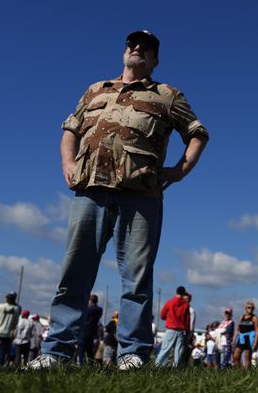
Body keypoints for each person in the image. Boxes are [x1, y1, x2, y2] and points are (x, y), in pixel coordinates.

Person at [28, 30, 208, 371]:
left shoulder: (167, 95)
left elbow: (198, 133)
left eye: (146, 47)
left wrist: (181, 170)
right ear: (125, 51)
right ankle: (57, 351)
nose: (137, 48)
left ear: (155, 60)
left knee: (136, 279)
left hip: (141, 196)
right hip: (90, 191)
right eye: (132, 44)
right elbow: (71, 128)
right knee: (74, 273)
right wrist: (67, 164)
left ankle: (133, 353)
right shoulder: (96, 89)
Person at [155, 286, 191, 367]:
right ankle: (176, 367)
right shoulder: (186, 305)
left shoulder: (170, 302)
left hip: (171, 329)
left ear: (176, 292)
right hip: (181, 330)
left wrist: (168, 317)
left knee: (165, 349)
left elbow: (162, 315)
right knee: (178, 350)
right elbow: (187, 320)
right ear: (183, 293)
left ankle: (158, 365)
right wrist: (188, 331)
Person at [0, 292, 20, 365]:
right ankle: (0, 364)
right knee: (3, 350)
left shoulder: (1, 306)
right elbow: (15, 322)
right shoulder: (16, 309)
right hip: (6, 332)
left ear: (6, 299)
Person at [77, 295, 103, 365]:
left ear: (90, 300)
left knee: (81, 350)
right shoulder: (99, 309)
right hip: (93, 332)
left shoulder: (87, 309)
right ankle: (91, 364)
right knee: (90, 350)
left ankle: (81, 364)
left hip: (84, 331)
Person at [234, 301, 258, 370]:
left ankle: (246, 372)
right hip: (241, 337)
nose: (250, 309)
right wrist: (234, 339)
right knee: (236, 355)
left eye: (252, 308)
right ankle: (238, 370)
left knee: (247, 356)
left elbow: (257, 330)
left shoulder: (254, 318)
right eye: (249, 308)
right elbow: (237, 329)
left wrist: (255, 342)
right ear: (245, 308)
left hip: (250, 338)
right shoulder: (242, 317)